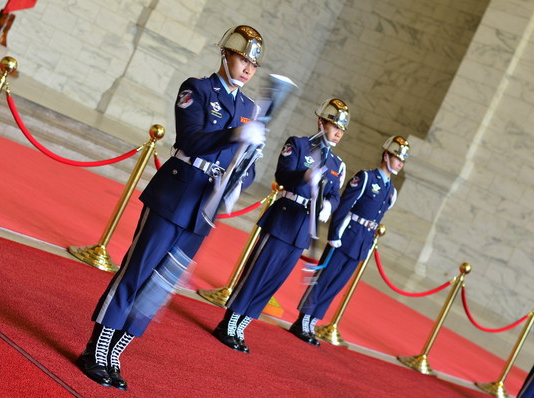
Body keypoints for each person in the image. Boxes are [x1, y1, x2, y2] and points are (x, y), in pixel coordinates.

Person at [76, 25, 266, 390]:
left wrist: (245, 167)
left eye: (253, 64)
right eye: (243, 58)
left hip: (205, 208)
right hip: (177, 193)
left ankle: (117, 352)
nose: (247, 68)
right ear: (225, 54)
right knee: (138, 272)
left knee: (159, 286)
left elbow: (249, 164)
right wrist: (236, 135)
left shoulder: (250, 108)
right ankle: (96, 349)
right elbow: (191, 139)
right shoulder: (197, 88)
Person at [212, 98, 350, 353]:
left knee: (272, 282)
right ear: (321, 122)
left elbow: (334, 194)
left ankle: (242, 326)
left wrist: (329, 206)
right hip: (283, 218)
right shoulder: (298, 144)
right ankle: (228, 323)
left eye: (342, 129)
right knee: (257, 274)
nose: (338, 132)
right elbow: (283, 176)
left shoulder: (337, 165)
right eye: (334, 126)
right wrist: (305, 176)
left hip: (301, 229)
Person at [290, 135, 410, 345]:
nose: (400, 163)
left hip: (362, 242)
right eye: (397, 157)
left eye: (402, 160)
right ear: (386, 155)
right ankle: (303, 320)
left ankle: (313, 321)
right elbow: (344, 206)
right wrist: (334, 235)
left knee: (336, 285)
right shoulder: (365, 178)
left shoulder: (391, 191)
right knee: (324, 279)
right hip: (346, 236)